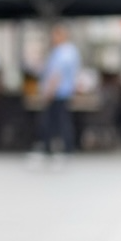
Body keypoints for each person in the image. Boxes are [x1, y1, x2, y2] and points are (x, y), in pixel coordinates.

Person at [38, 23, 81, 157]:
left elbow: (56, 74)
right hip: (65, 92)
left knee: (55, 121)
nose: (52, 38)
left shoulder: (63, 52)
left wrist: (49, 91)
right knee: (60, 120)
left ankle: (53, 147)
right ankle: (62, 147)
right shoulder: (71, 51)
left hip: (58, 92)